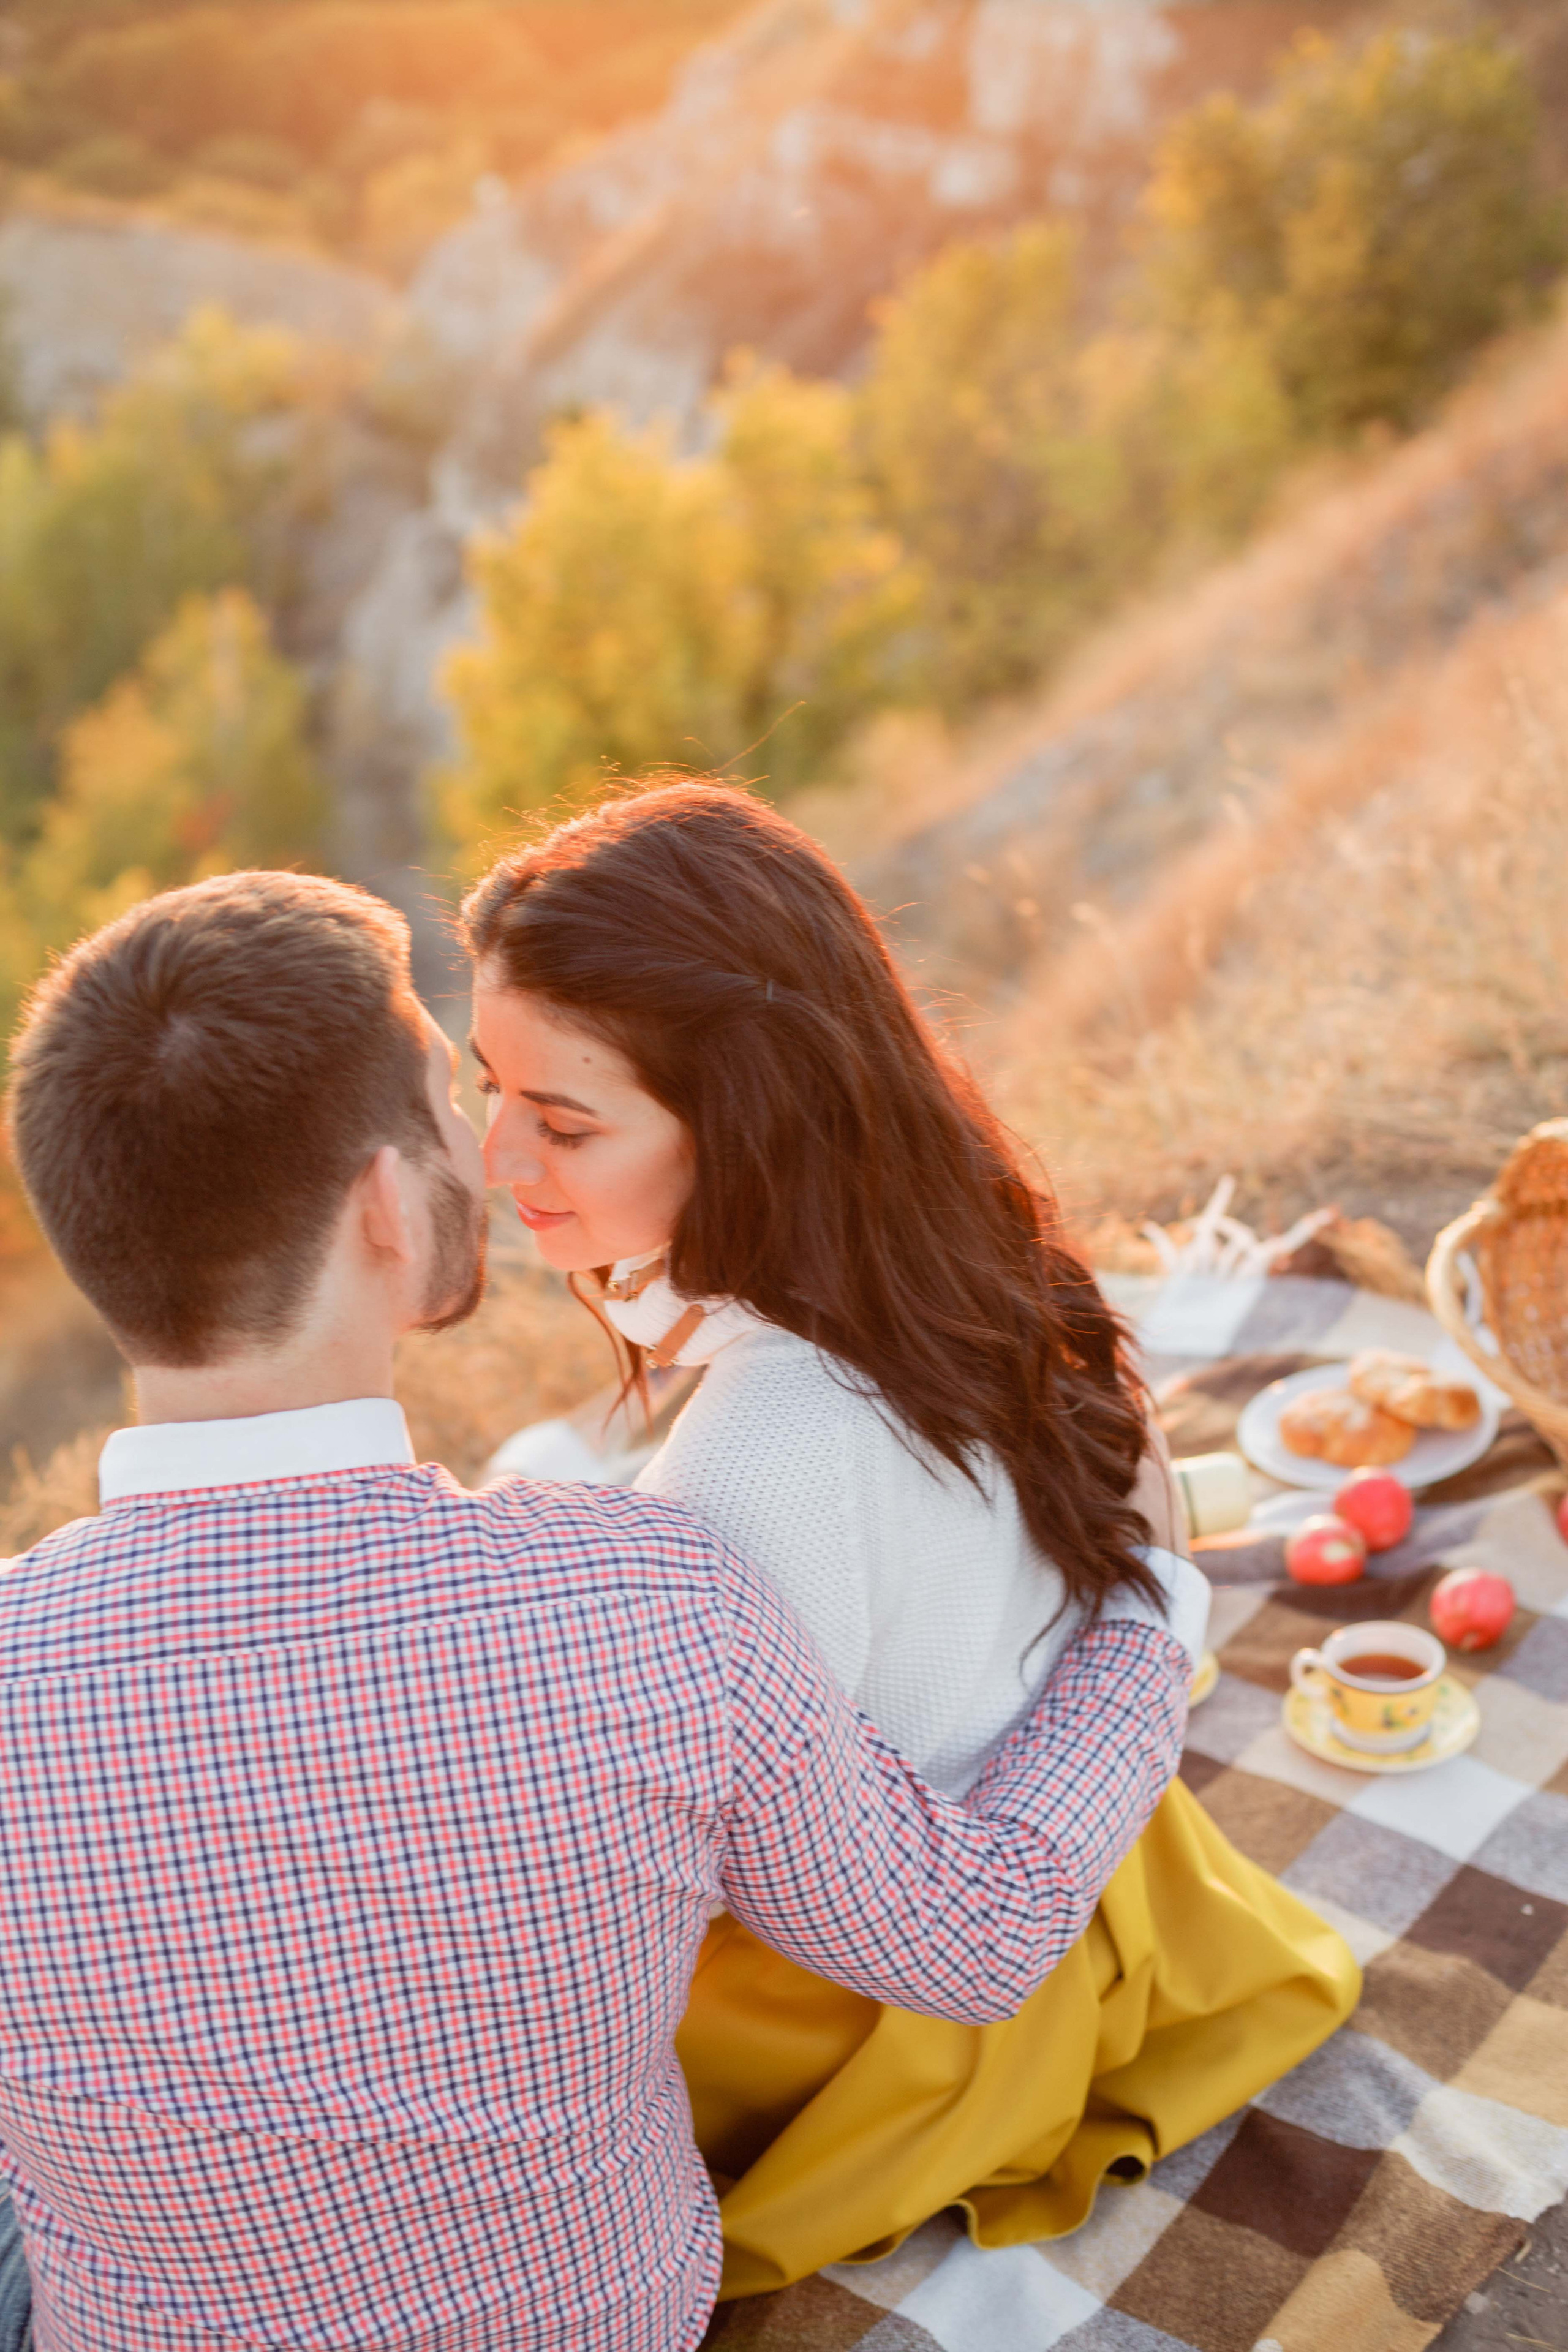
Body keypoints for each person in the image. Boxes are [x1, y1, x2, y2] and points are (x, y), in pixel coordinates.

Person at [0, 869, 1196, 2352]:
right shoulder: (658, 1602)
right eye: (452, 1098)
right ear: (385, 1206)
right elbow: (975, 1936)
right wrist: (1143, 1627)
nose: (490, 1145)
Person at [464, 782, 1363, 2298]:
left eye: (561, 1121)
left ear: (743, 1125)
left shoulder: (750, 1473)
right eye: (488, 1085)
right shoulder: (928, 1232)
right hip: (1066, 1851)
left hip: (867, 2014)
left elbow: (684, 1874)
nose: (499, 1155)